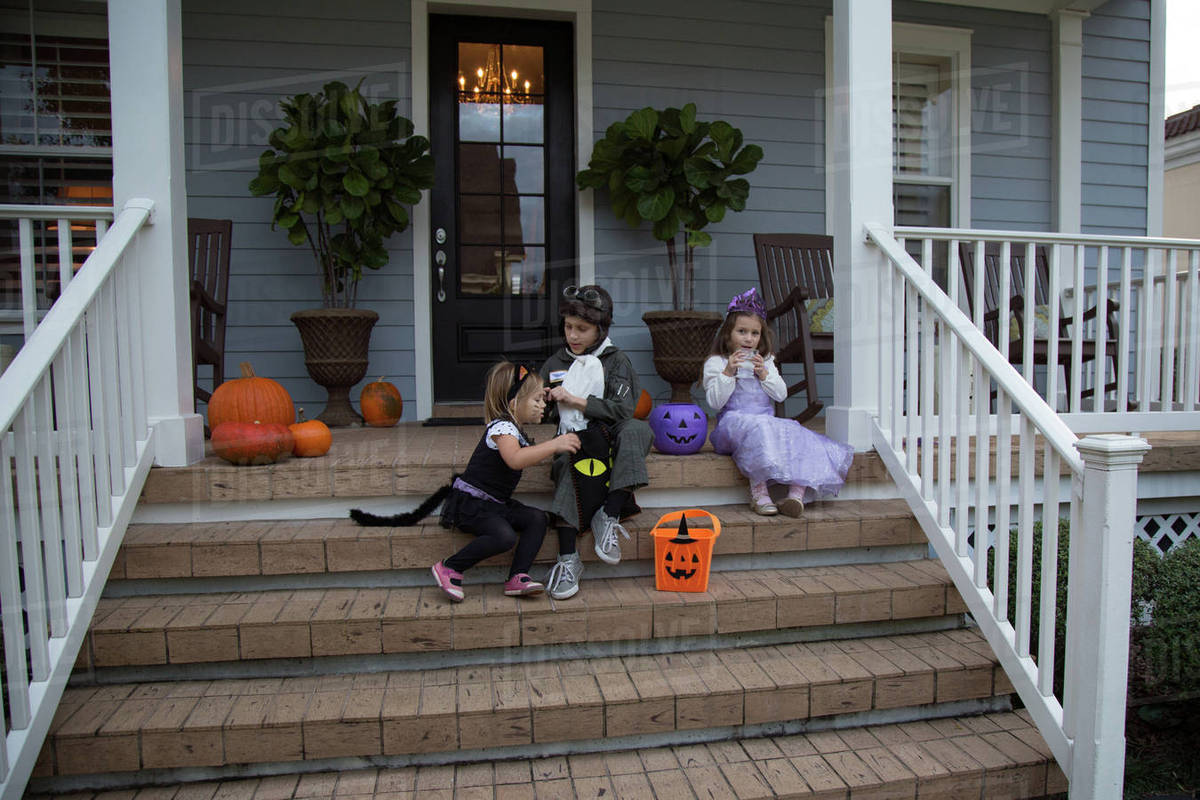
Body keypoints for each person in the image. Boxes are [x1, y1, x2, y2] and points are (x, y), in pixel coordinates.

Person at [351, 361, 580, 602]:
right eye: (536, 401)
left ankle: (517, 576)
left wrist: (536, 392)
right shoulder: (503, 428)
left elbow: (523, 452)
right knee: (504, 537)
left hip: (495, 503)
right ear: (514, 403)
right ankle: (450, 567)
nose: (543, 406)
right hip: (473, 505)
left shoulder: (515, 428)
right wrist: (554, 444)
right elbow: (515, 459)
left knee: (536, 518)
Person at [539, 284, 653, 600]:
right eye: (568, 327)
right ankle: (568, 559)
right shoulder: (556, 363)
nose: (573, 335)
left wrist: (577, 400)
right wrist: (543, 402)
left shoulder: (616, 361)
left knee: (638, 430)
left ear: (600, 329)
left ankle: (609, 514)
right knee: (567, 456)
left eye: (582, 329)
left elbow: (624, 409)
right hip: (575, 438)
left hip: (608, 434)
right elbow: (541, 413)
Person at [703, 287, 853, 517]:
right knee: (760, 429)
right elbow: (714, 402)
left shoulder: (766, 361)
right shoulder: (717, 362)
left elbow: (780, 394)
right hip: (732, 424)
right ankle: (759, 493)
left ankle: (795, 496)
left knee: (795, 431)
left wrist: (764, 374)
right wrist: (728, 372)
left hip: (765, 421)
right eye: (742, 331)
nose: (748, 338)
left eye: (755, 333)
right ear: (728, 334)